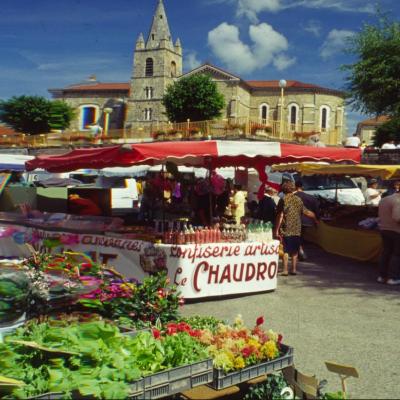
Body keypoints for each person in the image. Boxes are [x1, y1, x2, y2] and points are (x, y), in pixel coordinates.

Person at [274, 181, 318, 276]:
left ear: (283, 189)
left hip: (286, 228)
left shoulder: (283, 200)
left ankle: (285, 269)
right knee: (295, 250)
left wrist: (276, 229)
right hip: (297, 228)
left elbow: (280, 215)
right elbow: (307, 212)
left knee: (285, 250)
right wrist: (315, 219)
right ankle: (293, 269)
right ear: (292, 189)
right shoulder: (298, 200)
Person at [377, 190, 400, 284]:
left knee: (386, 252)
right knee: (397, 255)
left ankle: (382, 276)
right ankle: (393, 278)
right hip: (397, 231)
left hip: (384, 229)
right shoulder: (398, 200)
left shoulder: (384, 199)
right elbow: (397, 217)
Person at [295, 180, 320, 260]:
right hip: (307, 221)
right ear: (302, 187)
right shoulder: (311, 197)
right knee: (300, 235)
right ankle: (300, 250)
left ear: (295, 186)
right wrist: (316, 220)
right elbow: (316, 210)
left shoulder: (291, 197)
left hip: (295, 219)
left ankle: (300, 250)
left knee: (297, 236)